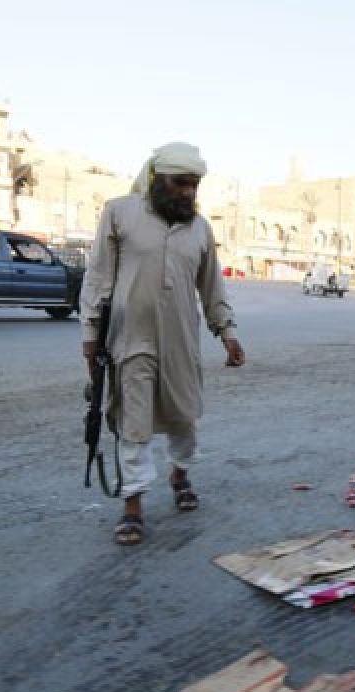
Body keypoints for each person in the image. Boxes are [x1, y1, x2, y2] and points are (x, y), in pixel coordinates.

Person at [79, 142, 245, 546]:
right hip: (129, 339)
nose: (188, 192)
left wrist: (227, 333)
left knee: (183, 416)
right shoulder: (119, 213)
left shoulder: (201, 228)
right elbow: (98, 277)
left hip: (181, 341)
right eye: (180, 183)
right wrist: (89, 336)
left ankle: (180, 473)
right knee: (132, 425)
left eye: (194, 185)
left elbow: (211, 288)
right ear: (157, 179)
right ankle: (133, 505)